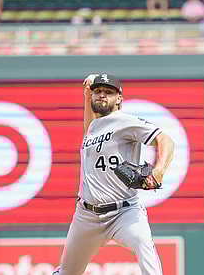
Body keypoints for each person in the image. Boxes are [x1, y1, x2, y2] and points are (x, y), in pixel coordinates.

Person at [53, 74, 175, 275]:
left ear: (119, 99)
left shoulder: (123, 121)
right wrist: (86, 93)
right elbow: (90, 123)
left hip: (124, 213)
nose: (102, 95)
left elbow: (165, 140)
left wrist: (158, 171)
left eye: (109, 92)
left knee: (145, 248)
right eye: (98, 91)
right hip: (87, 216)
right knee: (67, 272)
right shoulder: (93, 128)